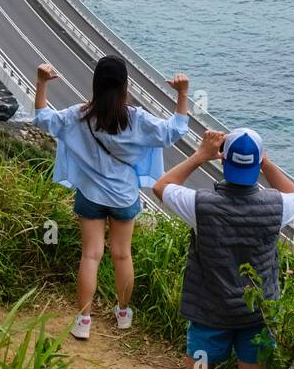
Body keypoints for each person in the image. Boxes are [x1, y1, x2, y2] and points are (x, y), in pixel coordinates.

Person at [151, 126, 294, 369]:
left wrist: (201, 155)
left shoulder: (200, 205)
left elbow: (161, 186)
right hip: (255, 313)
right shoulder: (276, 206)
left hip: (210, 315)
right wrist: (265, 163)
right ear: (257, 165)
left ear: (225, 163)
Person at [35, 55, 190, 340]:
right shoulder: (137, 120)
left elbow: (42, 119)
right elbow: (175, 131)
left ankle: (83, 320)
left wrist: (42, 83)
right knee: (122, 255)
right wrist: (181, 94)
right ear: (124, 86)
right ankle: (122, 314)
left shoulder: (79, 116)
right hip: (123, 196)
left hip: (90, 195)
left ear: (95, 84)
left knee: (90, 255)